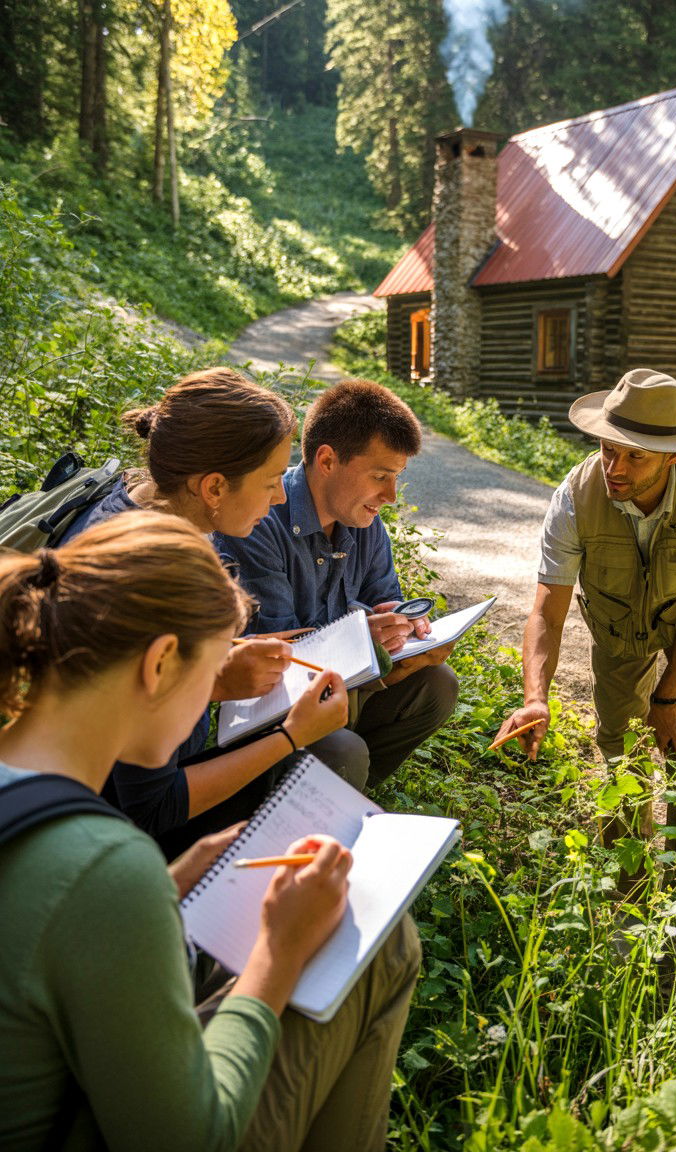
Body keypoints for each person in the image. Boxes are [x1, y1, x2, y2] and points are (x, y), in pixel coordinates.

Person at [0, 513, 420, 1152]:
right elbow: (192, 1138)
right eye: (213, 676)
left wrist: (172, 879)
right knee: (382, 945)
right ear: (161, 662)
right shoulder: (104, 867)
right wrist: (278, 950)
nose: (215, 700)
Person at [61, 367, 346, 855]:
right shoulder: (155, 580)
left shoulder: (145, 503)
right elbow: (146, 809)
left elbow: (132, 685)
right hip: (111, 838)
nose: (281, 497)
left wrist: (214, 672)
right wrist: (291, 736)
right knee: (334, 753)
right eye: (273, 480)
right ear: (213, 487)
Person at [496, 368, 676, 860]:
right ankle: (628, 896)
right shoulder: (574, 497)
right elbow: (546, 613)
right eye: (608, 448)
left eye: (636, 456)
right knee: (620, 751)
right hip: (617, 629)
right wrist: (534, 698)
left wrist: (668, 695)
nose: (615, 467)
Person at [216, 379, 460, 791]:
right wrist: (361, 641)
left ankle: (344, 788)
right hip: (277, 708)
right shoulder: (257, 521)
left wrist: (409, 638)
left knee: (438, 684)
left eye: (397, 477)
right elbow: (280, 659)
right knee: (343, 750)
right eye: (381, 475)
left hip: (342, 692)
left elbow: (388, 604)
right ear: (327, 460)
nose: (391, 495)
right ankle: (312, 786)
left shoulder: (364, 523)